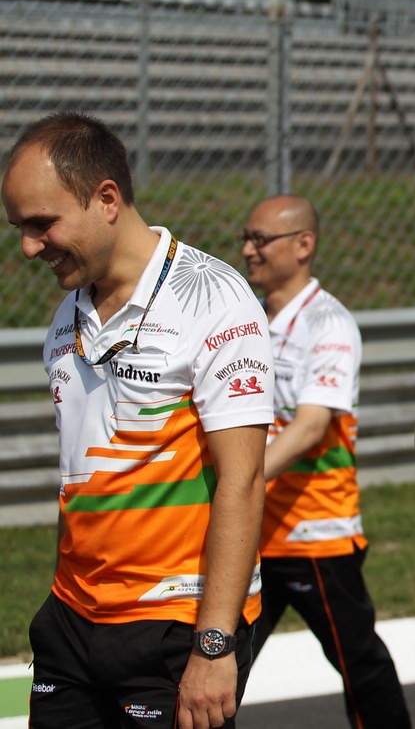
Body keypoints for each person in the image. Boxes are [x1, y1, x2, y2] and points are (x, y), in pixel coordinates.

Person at [1, 112, 272, 729]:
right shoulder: (66, 317)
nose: (28, 246)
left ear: (106, 199)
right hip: (72, 619)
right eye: (19, 228)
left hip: (171, 629)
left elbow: (244, 480)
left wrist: (214, 645)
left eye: (43, 224)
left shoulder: (214, 298)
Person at [240, 194, 411, 728]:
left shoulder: (328, 323)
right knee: (215, 661)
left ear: (304, 245)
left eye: (260, 239)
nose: (248, 250)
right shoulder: (246, 319)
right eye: (246, 239)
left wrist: (235, 483)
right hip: (252, 533)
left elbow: (312, 428)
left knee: (360, 665)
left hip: (317, 534)